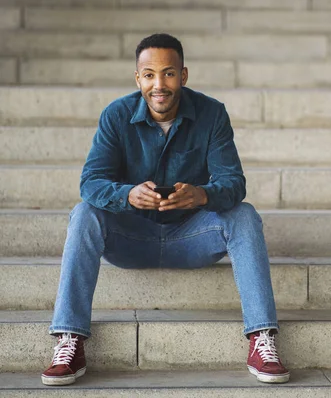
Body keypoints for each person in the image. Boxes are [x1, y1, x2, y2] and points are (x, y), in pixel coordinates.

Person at [41, 33, 289, 386]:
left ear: (183, 76)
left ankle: (262, 338)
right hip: (132, 237)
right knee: (84, 213)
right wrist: (127, 195)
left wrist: (201, 196)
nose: (160, 84)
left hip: (192, 238)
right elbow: (90, 183)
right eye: (150, 75)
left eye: (169, 73)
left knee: (244, 214)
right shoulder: (116, 115)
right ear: (138, 78)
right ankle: (69, 339)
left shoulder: (212, 113)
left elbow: (234, 183)